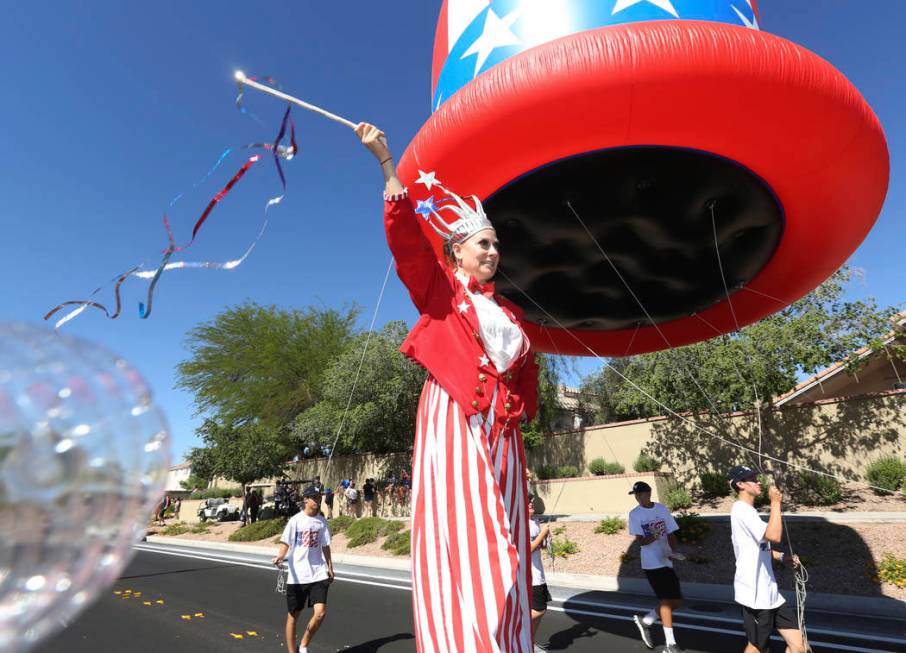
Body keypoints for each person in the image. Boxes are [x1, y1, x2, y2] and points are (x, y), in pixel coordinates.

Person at [357, 122, 539, 652]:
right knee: (477, 540)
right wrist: (387, 165)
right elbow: (407, 244)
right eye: (484, 243)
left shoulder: (510, 312)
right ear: (457, 252)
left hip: (504, 433)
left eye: (496, 244)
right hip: (455, 416)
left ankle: (509, 641)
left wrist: (517, 415)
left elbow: (526, 375)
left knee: (511, 535)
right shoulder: (441, 293)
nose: (493, 252)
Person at [727, 466, 804, 653]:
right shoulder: (741, 510)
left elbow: (761, 548)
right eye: (752, 478)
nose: (758, 481)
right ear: (741, 485)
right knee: (758, 648)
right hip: (754, 595)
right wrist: (775, 503)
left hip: (771, 593)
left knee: (799, 646)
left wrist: (782, 556)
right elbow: (774, 535)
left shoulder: (750, 513)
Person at [273, 485, 334, 653]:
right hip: (298, 575)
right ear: (306, 499)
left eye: (319, 496)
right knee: (293, 616)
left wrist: (330, 567)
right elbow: (286, 542)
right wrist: (280, 556)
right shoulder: (295, 520)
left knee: (320, 613)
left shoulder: (322, 521)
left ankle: (304, 645)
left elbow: (325, 546)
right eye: (314, 497)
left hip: (318, 572)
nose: (318, 500)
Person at [628, 481, 684, 652]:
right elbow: (642, 541)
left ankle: (646, 621)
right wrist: (656, 533)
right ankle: (670, 644)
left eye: (641, 494)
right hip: (651, 563)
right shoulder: (635, 514)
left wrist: (673, 552)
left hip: (666, 560)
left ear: (649, 493)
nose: (638, 497)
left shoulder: (661, 509)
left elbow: (671, 533)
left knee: (677, 602)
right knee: (666, 601)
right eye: (636, 495)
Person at [528, 500, 551, 653]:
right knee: (539, 609)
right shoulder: (522, 524)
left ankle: (530, 643)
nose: (531, 503)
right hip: (531, 575)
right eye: (527, 501)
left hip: (538, 574)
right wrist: (542, 533)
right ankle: (517, 628)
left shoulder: (534, 522)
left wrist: (544, 538)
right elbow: (527, 548)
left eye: (531, 500)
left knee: (540, 608)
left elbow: (537, 546)